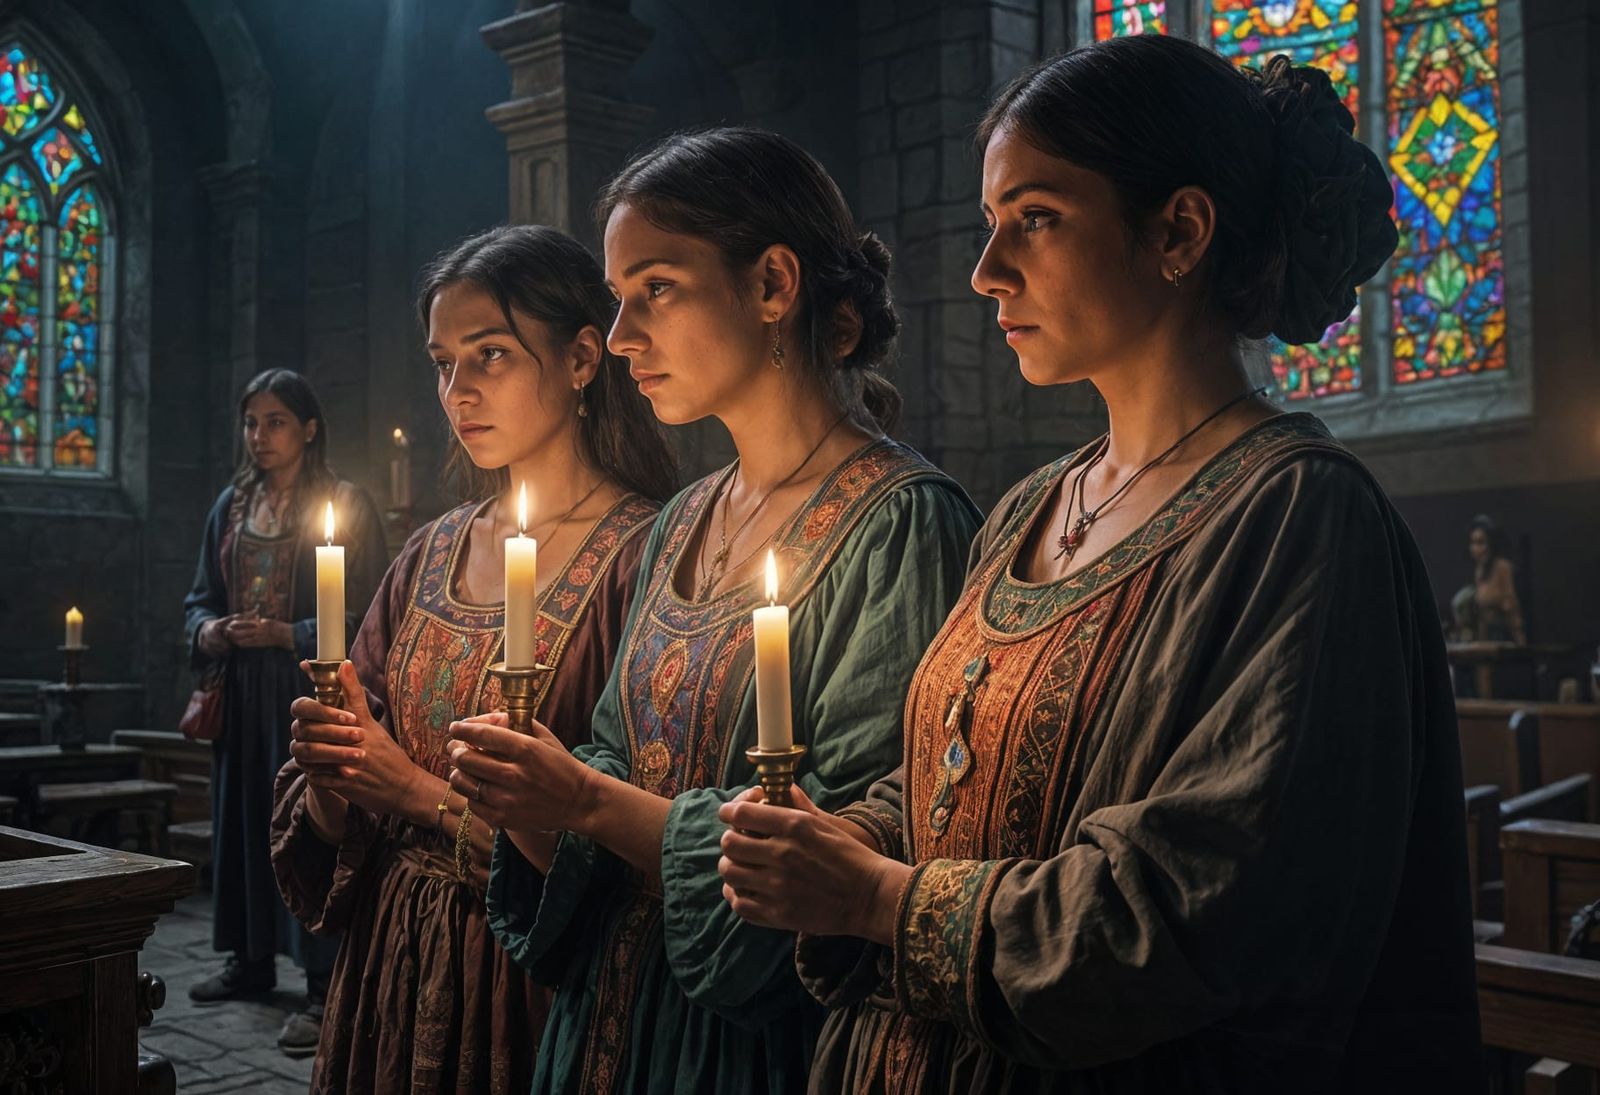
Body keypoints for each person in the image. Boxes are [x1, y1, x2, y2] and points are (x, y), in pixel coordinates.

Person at [716, 37, 1482, 1093]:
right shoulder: (1033, 505)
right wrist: (844, 837)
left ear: (1177, 231)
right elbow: (949, 776)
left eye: (1034, 218)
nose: (986, 272)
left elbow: (1196, 913)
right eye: (991, 223)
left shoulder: (1298, 516)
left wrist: (874, 898)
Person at [448, 127, 981, 1093]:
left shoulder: (902, 524)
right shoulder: (684, 519)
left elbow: (862, 838)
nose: (620, 337)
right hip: (609, 1016)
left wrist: (585, 800)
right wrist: (533, 803)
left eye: (655, 288)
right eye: (617, 298)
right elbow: (611, 758)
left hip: (756, 1042)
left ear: (773, 284)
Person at [268, 225, 674, 1093]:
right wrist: (335, 775)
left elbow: (628, 846)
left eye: (490, 354)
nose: (458, 392)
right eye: (443, 363)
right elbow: (340, 804)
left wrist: (412, 790)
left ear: (581, 358)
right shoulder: (429, 551)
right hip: (390, 963)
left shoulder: (646, 556)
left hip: (531, 986)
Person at [183, 368, 386, 1056]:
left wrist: (288, 633)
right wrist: (213, 629)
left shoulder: (344, 503)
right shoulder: (231, 507)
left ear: (309, 428)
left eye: (275, 421)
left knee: (312, 820)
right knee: (243, 820)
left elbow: (370, 613)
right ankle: (249, 959)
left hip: (309, 686)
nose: (260, 435)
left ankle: (324, 984)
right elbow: (199, 599)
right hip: (240, 691)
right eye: (251, 422)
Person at [1451, 514, 1526, 644]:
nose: (1476, 549)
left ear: (1491, 543)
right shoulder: (1478, 571)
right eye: (1473, 543)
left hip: (1503, 638)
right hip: (1484, 639)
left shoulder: (1502, 567)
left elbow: (1511, 606)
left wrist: (1520, 640)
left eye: (1481, 542)